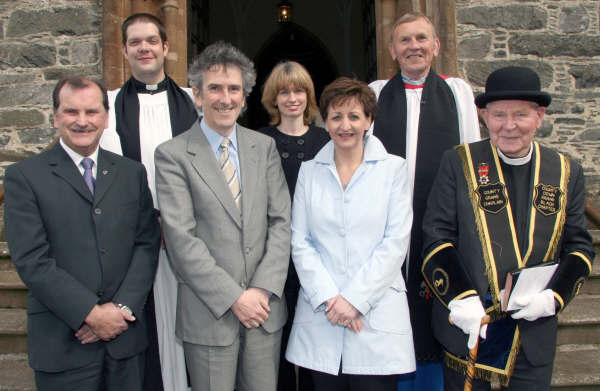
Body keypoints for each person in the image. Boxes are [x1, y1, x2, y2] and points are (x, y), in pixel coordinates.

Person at [421, 66, 595, 390]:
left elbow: (580, 247)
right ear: (484, 116)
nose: (509, 126)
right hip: (472, 328)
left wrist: (554, 298)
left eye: (520, 115)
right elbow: (437, 237)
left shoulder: (566, 171)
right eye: (499, 115)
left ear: (539, 116)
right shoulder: (458, 163)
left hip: (532, 333)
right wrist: (460, 298)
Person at [4, 77, 160, 391]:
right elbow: (32, 260)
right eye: (71, 112)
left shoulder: (131, 173)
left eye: (91, 112)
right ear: (55, 116)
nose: (82, 121)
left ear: (105, 117)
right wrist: (89, 314)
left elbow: (146, 244)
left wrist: (120, 310)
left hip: (124, 342)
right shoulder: (24, 177)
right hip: (62, 343)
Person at [155, 41, 291, 391]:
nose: (225, 98)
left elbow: (281, 222)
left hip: (264, 313)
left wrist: (260, 291)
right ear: (197, 96)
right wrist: (234, 297)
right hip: (209, 316)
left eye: (234, 89)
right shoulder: (173, 155)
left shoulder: (264, 148)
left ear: (245, 97)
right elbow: (181, 239)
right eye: (214, 88)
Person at [368, 11, 480, 390]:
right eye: (405, 40)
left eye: (421, 39)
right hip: (389, 225)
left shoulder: (457, 91)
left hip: (441, 224)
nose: (413, 46)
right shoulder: (378, 92)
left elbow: (471, 155)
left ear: (436, 46)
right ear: (392, 50)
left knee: (435, 309)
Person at [285, 77, 416, 391]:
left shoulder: (394, 170)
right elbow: (300, 241)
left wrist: (355, 301)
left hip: (376, 315)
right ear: (325, 122)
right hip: (323, 316)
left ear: (368, 120)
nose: (346, 125)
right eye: (336, 116)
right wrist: (333, 300)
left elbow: (395, 243)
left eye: (354, 116)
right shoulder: (309, 171)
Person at [100, 13, 198, 391]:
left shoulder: (196, 102)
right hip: (133, 241)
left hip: (188, 236)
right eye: (135, 42)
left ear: (165, 47)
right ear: (124, 50)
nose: (144, 48)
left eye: (151, 41)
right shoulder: (106, 108)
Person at [258, 60, 329, 391]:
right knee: (279, 341)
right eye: (284, 91)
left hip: (318, 255)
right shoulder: (259, 141)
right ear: (274, 97)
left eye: (299, 90)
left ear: (308, 95)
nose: (292, 98)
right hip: (274, 256)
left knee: (317, 340)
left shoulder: (326, 140)